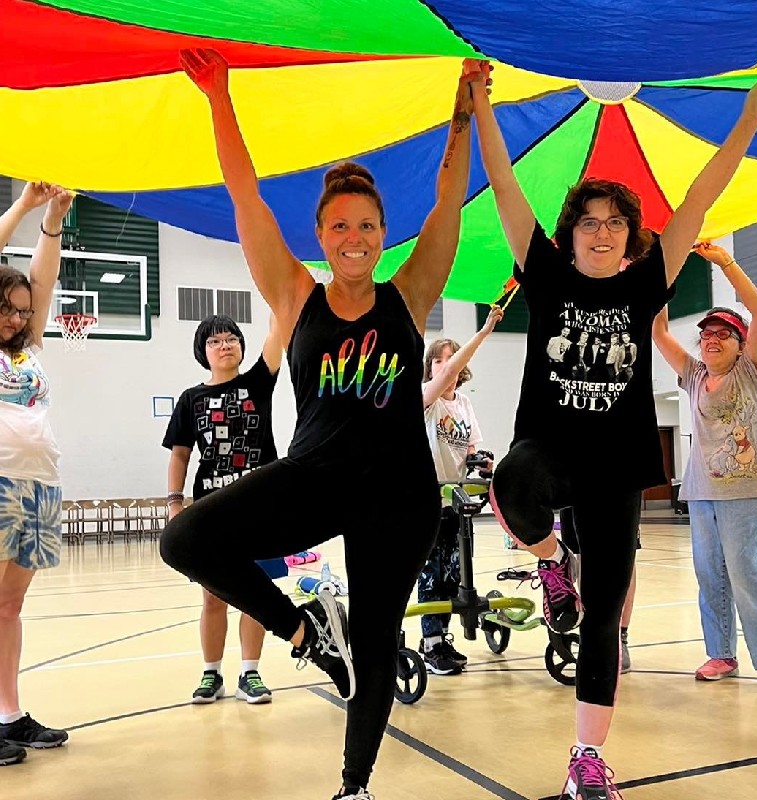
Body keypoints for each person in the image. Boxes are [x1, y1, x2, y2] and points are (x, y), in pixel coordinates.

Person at [467, 57, 757, 799]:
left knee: (604, 614)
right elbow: (508, 189)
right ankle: (553, 564)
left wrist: (747, 120)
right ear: (572, 232)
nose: (603, 233)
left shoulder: (647, 281)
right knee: (511, 480)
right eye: (591, 222)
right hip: (549, 451)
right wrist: (483, 108)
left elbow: (701, 199)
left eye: (615, 224)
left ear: (629, 237)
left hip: (614, 465)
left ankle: (586, 758)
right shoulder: (544, 272)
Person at [160, 48, 475, 800]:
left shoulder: (410, 294)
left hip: (398, 496)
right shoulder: (296, 295)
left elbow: (450, 202)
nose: (354, 236)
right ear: (322, 233)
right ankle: (302, 632)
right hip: (314, 480)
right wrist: (218, 97)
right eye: (339, 225)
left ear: (381, 229)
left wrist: (465, 113)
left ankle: (354, 786)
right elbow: (245, 198)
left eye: (367, 224)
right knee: (186, 539)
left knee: (373, 648)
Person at [652, 241, 757, 692]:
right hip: (700, 489)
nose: (712, 340)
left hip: (745, 487)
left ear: (740, 344)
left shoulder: (749, 370)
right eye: (707, 334)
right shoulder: (694, 374)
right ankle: (721, 654)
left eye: (724, 334)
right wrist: (661, 274)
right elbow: (658, 330)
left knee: (743, 568)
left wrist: (726, 263)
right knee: (708, 571)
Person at [162, 313, 283, 704]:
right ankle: (211, 674)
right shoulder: (190, 399)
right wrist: (174, 503)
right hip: (210, 509)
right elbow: (180, 455)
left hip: (260, 507)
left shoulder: (257, 384)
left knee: (256, 593)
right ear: (203, 352)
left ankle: (251, 673)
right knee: (213, 597)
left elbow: (278, 329)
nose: (225, 344)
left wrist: (280, 291)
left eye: (231, 338)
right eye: (215, 341)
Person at [0, 182, 74, 766]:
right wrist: (23, 206)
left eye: (23, 311)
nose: (19, 317)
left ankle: (9, 713)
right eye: (7, 308)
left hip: (39, 487)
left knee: (10, 608)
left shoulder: (28, 351)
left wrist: (54, 218)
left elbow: (42, 281)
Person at [417, 305, 503, 675]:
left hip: (458, 500)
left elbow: (472, 449)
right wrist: (482, 333)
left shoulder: (464, 404)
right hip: (425, 499)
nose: (449, 367)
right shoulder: (426, 399)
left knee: (454, 570)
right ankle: (430, 642)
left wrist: (481, 461)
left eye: (453, 361)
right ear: (431, 367)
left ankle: (442, 638)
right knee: (431, 571)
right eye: (442, 361)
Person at [559, 507, 639, 674]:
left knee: (624, 551)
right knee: (582, 552)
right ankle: (593, 636)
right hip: (574, 486)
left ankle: (620, 637)